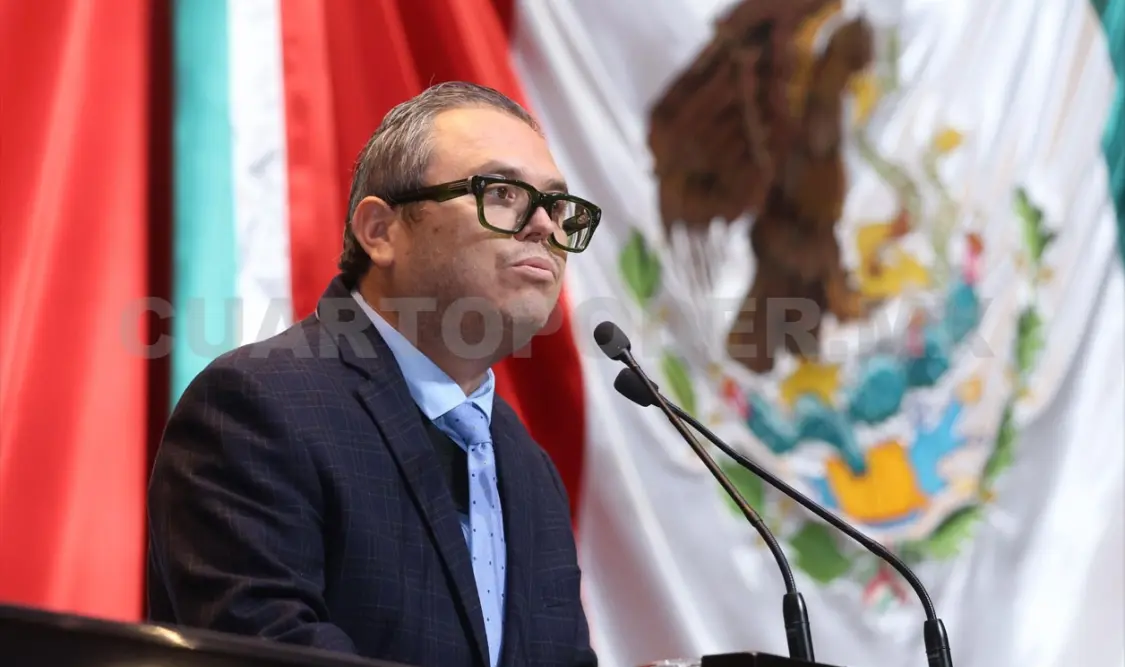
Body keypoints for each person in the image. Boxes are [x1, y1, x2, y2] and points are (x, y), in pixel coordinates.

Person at [146, 81, 602, 667]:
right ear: (381, 231)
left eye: (558, 206)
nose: (544, 226)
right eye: (503, 193)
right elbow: (272, 651)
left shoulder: (528, 466)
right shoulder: (256, 408)